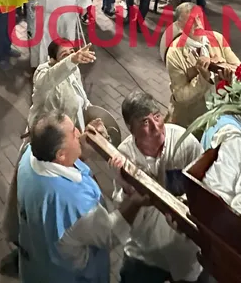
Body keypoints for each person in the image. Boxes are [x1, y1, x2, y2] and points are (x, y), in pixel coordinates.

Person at [16, 112, 149, 283]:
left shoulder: (29, 155)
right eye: (73, 133)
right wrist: (135, 201)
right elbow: (110, 233)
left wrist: (81, 151)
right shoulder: (76, 204)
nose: (80, 133)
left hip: (38, 263)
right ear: (61, 154)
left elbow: (63, 166)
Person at [111, 92, 204, 283]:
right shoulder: (124, 156)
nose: (156, 127)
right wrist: (127, 189)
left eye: (157, 116)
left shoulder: (184, 142)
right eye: (145, 122)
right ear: (130, 129)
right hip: (145, 249)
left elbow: (204, 186)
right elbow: (123, 209)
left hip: (184, 249)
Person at [166, 3, 240, 129]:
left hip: (221, 111)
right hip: (192, 120)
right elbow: (180, 96)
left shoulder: (217, 38)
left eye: (199, 17)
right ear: (179, 26)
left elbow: (240, 69)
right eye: (191, 21)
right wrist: (202, 78)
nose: (198, 24)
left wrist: (226, 70)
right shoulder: (174, 54)